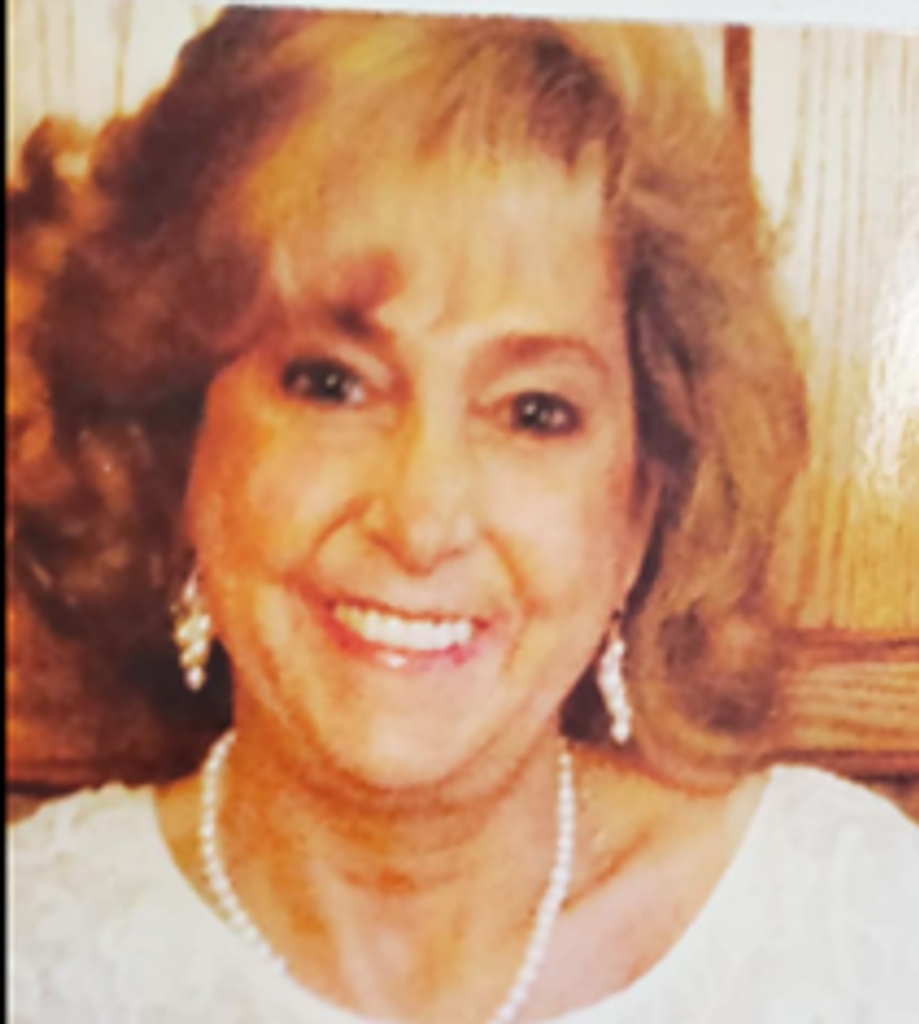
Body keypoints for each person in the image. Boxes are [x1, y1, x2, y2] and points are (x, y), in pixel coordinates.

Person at [8, 8, 919, 1023]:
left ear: (640, 510)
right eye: (332, 383)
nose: (421, 517)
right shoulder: (35, 950)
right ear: (178, 445)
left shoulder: (855, 938)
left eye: (533, 411)